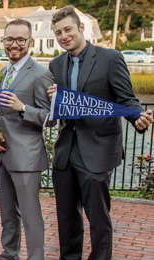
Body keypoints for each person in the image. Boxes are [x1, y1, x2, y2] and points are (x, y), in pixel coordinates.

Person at [47, 6, 154, 259]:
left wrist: (137, 116)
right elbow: (54, 106)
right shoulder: (55, 63)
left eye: (68, 30)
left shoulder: (110, 57)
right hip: (65, 150)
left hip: (97, 149)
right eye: (58, 32)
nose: (64, 36)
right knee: (66, 215)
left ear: (81, 28)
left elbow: (126, 98)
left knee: (98, 217)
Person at [0, 19, 54, 260]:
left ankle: (36, 257)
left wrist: (22, 107)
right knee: (8, 212)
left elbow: (50, 118)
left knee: (30, 215)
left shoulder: (41, 74)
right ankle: (10, 253)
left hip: (27, 156)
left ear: (30, 41)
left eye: (20, 39)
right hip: (4, 153)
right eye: (9, 39)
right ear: (3, 41)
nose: (13, 44)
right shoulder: (2, 72)